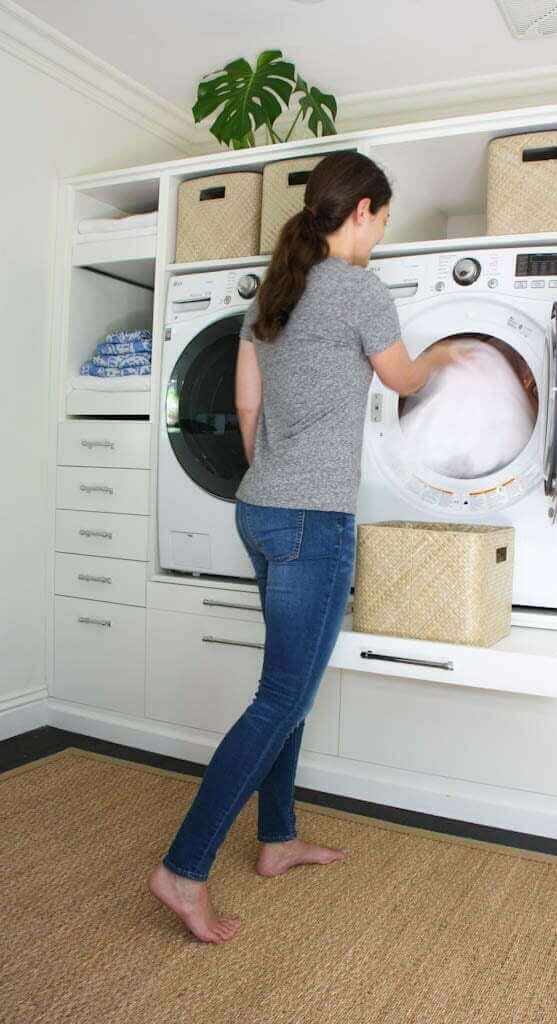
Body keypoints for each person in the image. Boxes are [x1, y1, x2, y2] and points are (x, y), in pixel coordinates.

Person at [148, 150, 464, 944]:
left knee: (286, 690)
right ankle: (182, 870)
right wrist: (440, 357)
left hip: (258, 510)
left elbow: (247, 410)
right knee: (281, 699)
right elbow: (402, 381)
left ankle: (277, 838)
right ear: (360, 210)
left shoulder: (277, 293)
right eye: (383, 217)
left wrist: (275, 480)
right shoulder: (356, 287)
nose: (382, 231)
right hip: (309, 521)